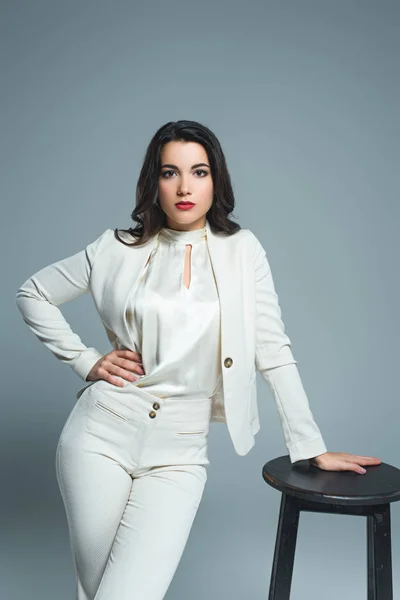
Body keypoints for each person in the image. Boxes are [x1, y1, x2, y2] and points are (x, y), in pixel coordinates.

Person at [15, 120, 381, 600]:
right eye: (171, 173)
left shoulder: (242, 251)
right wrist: (86, 360)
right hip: (99, 435)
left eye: (199, 172)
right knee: (97, 591)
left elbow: (272, 348)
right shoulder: (115, 248)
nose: (185, 187)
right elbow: (33, 292)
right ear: (154, 182)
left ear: (216, 180)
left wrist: (309, 445)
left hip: (179, 453)